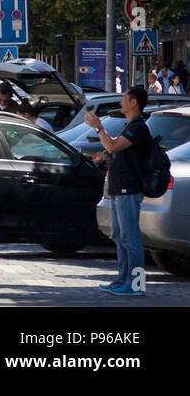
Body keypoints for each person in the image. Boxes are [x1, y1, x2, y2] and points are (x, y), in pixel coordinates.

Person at [87, 85, 152, 295]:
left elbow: (113, 146)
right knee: (117, 234)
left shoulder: (139, 127)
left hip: (128, 189)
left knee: (130, 238)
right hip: (116, 189)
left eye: (124, 98)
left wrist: (98, 127)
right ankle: (123, 278)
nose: (120, 102)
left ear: (134, 103)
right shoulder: (129, 125)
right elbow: (113, 147)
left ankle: (136, 284)